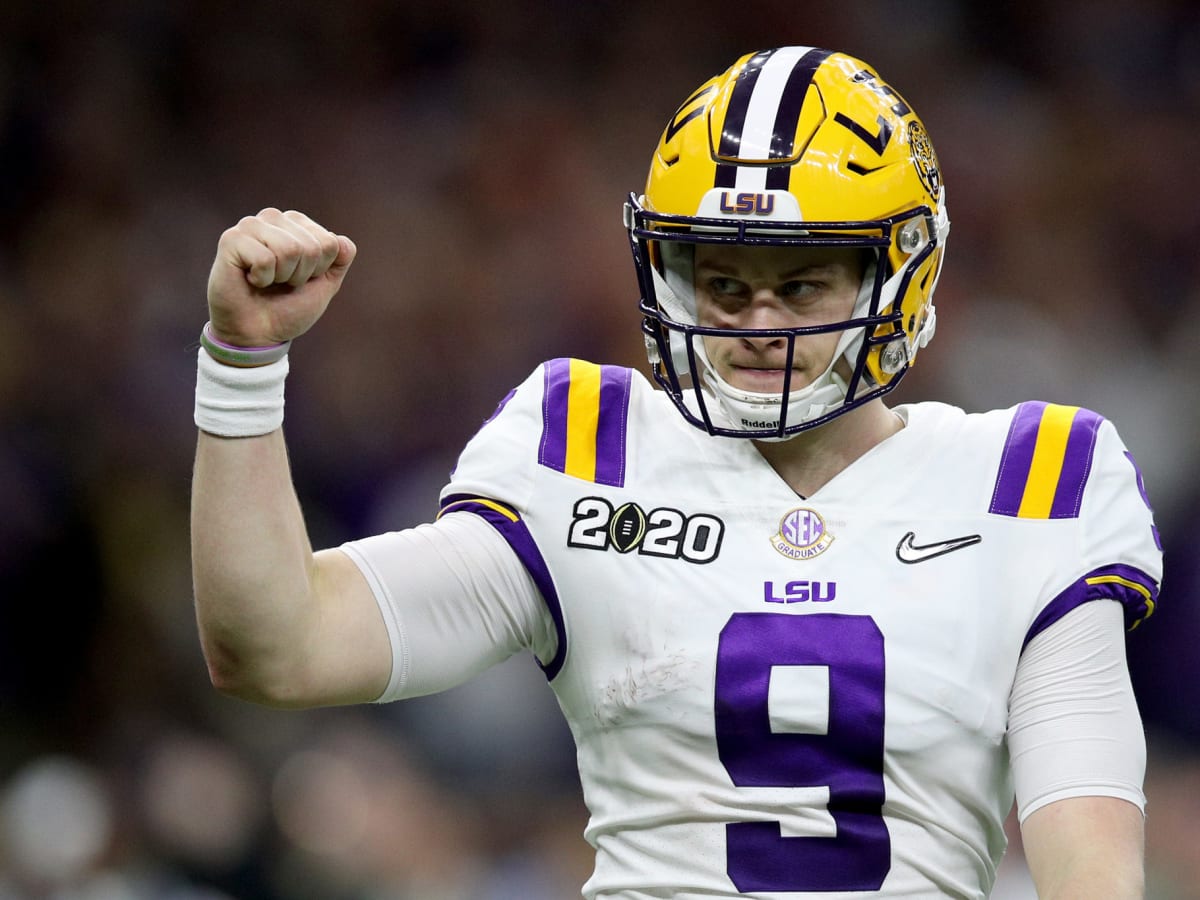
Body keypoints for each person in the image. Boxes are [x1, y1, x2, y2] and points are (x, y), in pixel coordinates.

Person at [191, 46, 1162, 898]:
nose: (757, 324)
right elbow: (279, 646)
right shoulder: (586, 450)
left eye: (803, 280)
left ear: (894, 277)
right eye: (723, 280)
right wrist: (242, 367)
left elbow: (1090, 867)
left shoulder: (1032, 484)